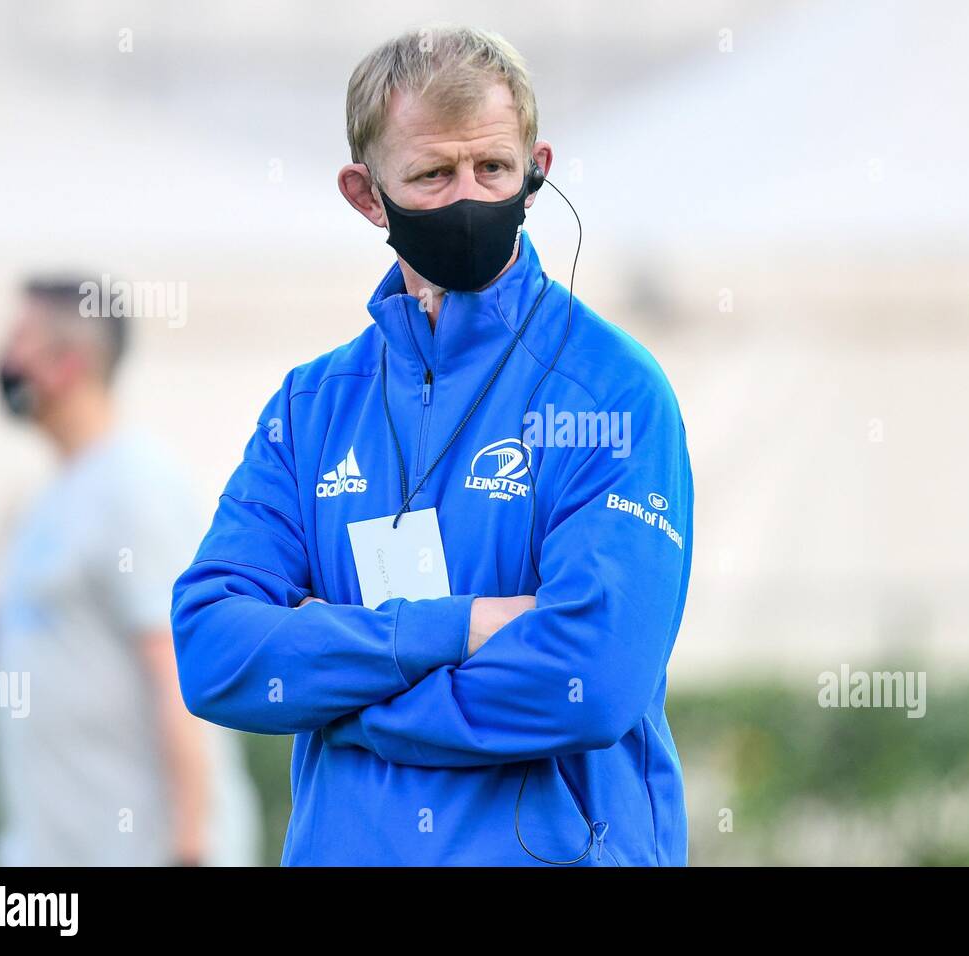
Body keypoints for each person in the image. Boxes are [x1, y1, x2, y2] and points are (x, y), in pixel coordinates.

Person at [171, 24, 693, 866]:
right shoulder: (312, 407)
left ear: (538, 169)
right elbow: (213, 651)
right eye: (431, 175)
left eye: (492, 169)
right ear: (366, 193)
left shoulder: (615, 392)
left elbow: (592, 681)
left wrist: (342, 693)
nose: (468, 199)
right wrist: (457, 628)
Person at [0, 276, 260, 866]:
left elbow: (180, 675)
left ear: (67, 363)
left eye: (19, 341)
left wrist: (190, 849)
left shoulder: (135, 486)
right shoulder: (51, 497)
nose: (3, 360)